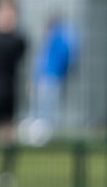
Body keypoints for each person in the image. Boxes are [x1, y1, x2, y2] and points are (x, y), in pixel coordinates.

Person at [23, 13, 76, 145]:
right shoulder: (58, 40)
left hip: (49, 78)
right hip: (49, 78)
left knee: (45, 109)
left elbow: (46, 63)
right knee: (43, 108)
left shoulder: (56, 40)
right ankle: (40, 136)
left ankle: (42, 137)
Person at [0, 0, 27, 187]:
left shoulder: (17, 39)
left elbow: (16, 48)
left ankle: (6, 174)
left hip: (7, 93)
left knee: (8, 135)